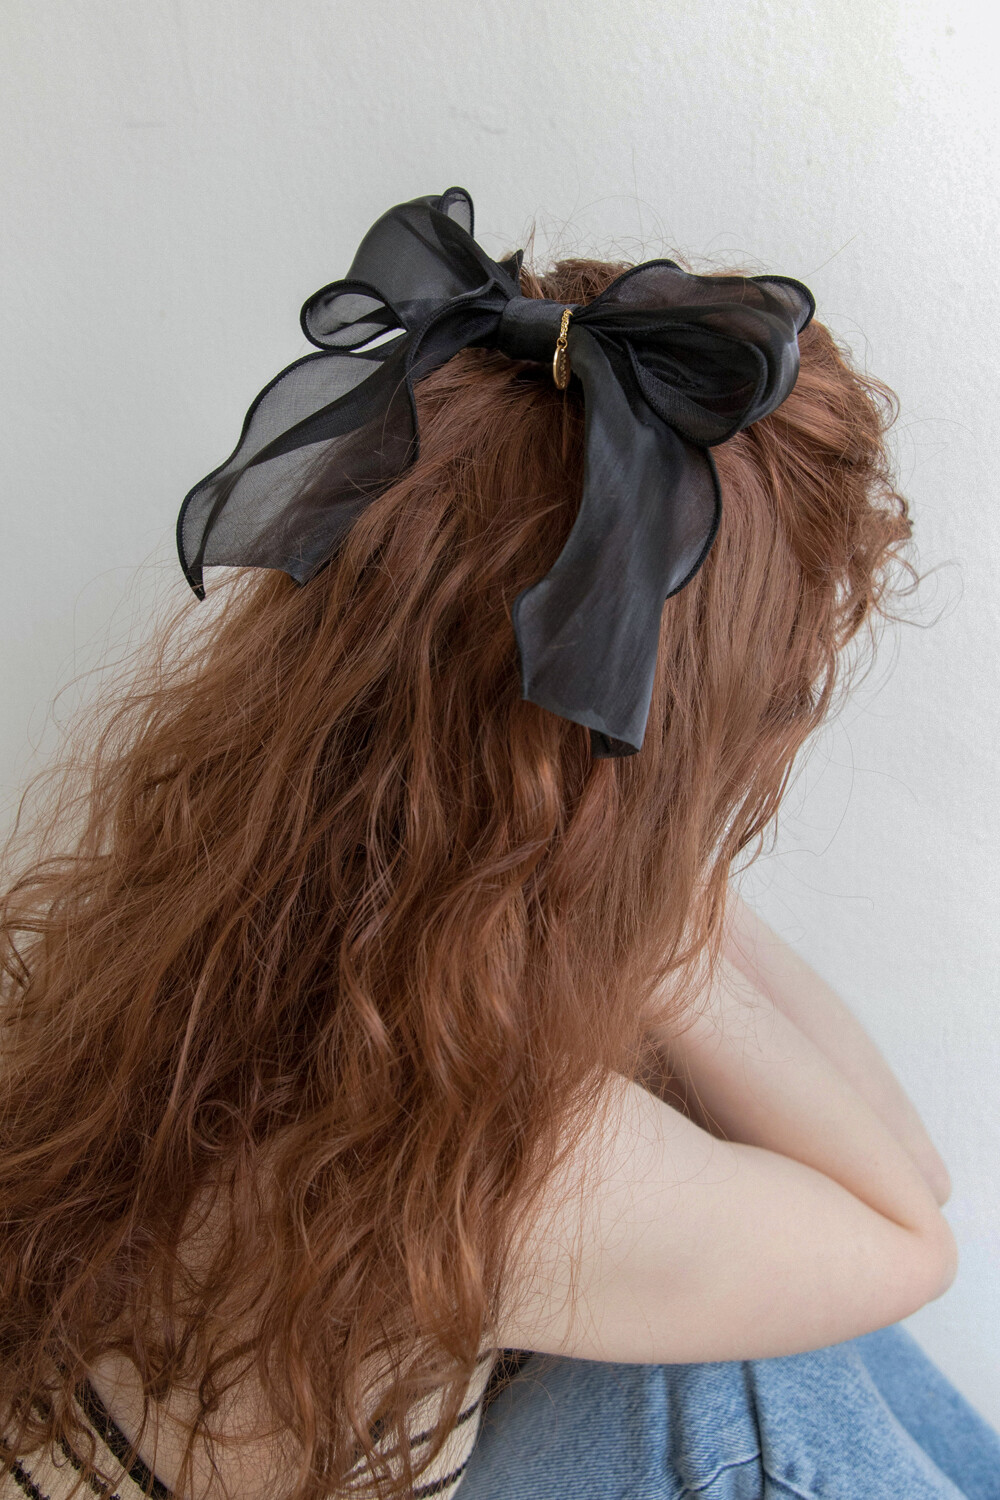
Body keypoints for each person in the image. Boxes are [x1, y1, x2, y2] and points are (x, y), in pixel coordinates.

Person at [0, 187, 996, 1500]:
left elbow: (899, 1188)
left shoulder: (212, 909)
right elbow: (908, 1221)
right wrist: (643, 889)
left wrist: (617, 849)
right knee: (758, 1381)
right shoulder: (514, 1160)